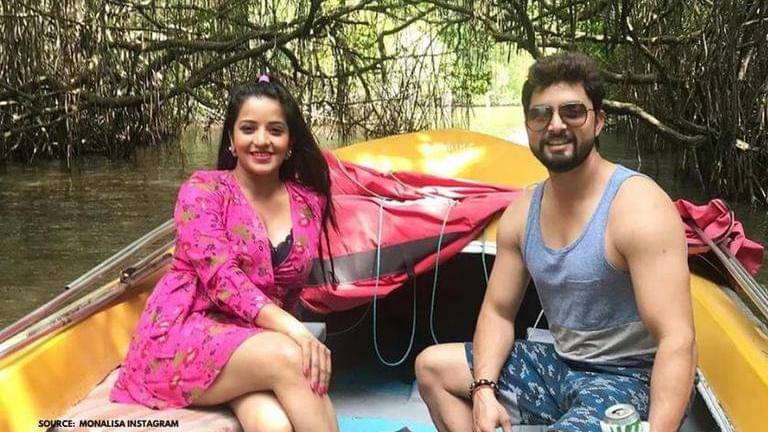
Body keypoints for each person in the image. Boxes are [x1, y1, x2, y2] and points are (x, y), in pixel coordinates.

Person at [415, 52, 695, 432]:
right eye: (541, 114)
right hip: (561, 367)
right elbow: (498, 312)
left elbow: (677, 339)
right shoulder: (521, 213)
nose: (556, 125)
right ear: (528, 126)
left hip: (632, 379)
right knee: (433, 368)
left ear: (598, 121)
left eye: (572, 112)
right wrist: (483, 389)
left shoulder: (638, 207)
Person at [111, 75, 339, 432]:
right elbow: (223, 280)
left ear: (291, 141)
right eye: (248, 129)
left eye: (275, 130)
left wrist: (286, 331)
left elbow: (290, 289)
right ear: (231, 139)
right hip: (183, 336)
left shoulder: (308, 201)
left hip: (252, 340)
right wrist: (294, 331)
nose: (261, 140)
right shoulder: (203, 191)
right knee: (292, 358)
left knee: (273, 425)